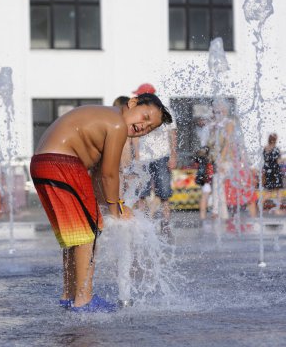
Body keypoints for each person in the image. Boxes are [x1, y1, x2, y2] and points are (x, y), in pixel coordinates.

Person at [30, 93, 172, 313]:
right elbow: (109, 175)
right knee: (89, 234)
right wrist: (117, 209)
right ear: (133, 103)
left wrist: (104, 204)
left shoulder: (107, 117)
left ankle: (69, 294)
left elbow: (97, 174)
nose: (143, 127)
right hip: (63, 162)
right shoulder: (117, 125)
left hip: (43, 162)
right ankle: (84, 299)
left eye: (149, 128)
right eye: (144, 117)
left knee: (75, 235)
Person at [133, 83, 177, 236]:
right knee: (141, 193)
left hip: (161, 156)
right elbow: (135, 136)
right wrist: (137, 157)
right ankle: (143, 224)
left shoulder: (165, 111)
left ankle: (165, 224)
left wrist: (173, 155)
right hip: (144, 158)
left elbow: (172, 134)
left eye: (139, 95)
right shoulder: (137, 113)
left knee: (164, 193)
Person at [262, 133, 284, 215]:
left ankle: (259, 204)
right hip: (275, 172)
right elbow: (278, 161)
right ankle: (278, 209)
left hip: (268, 172)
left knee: (269, 192)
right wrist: (283, 159)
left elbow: (266, 161)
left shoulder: (265, 148)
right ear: (275, 140)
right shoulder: (276, 149)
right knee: (278, 191)